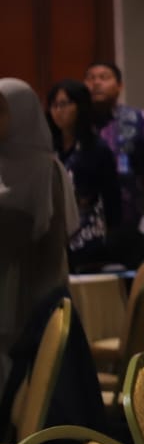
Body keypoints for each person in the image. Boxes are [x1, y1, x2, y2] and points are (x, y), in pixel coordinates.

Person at [0, 78, 74, 387]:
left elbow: (51, 252)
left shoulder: (45, 170)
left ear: (21, 114)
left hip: (24, 300)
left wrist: (34, 319)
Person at [47, 79, 119, 268]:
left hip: (89, 237)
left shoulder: (97, 149)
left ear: (80, 106)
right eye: (53, 105)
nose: (58, 111)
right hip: (54, 237)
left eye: (64, 104)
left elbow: (112, 199)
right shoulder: (49, 149)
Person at [84, 60, 144, 224]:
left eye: (104, 77)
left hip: (129, 219)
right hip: (84, 224)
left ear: (119, 85)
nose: (96, 83)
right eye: (91, 78)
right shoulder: (77, 124)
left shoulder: (141, 120)